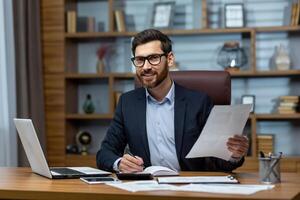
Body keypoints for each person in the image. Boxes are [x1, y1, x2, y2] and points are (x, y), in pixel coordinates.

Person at [96, 29, 249, 173]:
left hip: (189, 188)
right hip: (146, 187)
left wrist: (234, 155)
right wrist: (119, 163)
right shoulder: (127, 103)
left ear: (169, 59)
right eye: (140, 60)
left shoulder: (198, 102)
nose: (146, 67)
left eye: (154, 58)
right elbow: (105, 153)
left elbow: (217, 162)